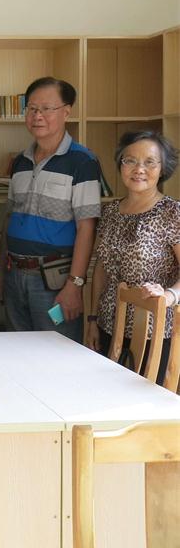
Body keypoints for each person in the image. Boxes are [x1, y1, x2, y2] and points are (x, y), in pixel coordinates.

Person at [0, 77, 101, 342]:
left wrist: (75, 284)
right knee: (17, 353)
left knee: (56, 354)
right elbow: (9, 219)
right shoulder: (20, 161)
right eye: (31, 108)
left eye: (46, 109)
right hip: (14, 275)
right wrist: (0, 274)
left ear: (66, 111)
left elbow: (86, 228)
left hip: (54, 282)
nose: (37, 116)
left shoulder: (82, 161)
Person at [86, 131, 180, 382]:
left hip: (153, 330)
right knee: (104, 395)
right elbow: (101, 269)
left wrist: (170, 295)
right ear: (120, 164)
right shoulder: (110, 212)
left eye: (150, 162)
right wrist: (92, 319)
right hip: (108, 324)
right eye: (130, 160)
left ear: (163, 168)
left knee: (144, 401)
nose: (139, 169)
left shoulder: (172, 212)